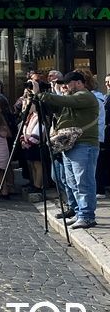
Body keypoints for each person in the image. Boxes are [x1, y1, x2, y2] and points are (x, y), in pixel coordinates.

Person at [34, 72, 101, 229]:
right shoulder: (71, 99)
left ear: (79, 83)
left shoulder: (85, 96)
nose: (63, 86)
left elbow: (66, 100)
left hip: (84, 144)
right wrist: (42, 98)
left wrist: (42, 94)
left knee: (83, 182)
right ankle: (79, 213)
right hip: (70, 144)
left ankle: (87, 216)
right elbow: (58, 109)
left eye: (67, 83)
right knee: (72, 182)